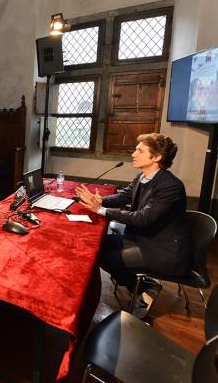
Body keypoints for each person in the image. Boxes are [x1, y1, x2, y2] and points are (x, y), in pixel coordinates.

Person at [75, 133, 191, 318]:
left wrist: (101, 211)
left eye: (140, 150)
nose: (133, 154)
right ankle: (143, 288)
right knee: (95, 249)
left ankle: (144, 289)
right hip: (144, 237)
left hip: (162, 249)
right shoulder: (143, 176)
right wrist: (100, 200)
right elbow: (123, 196)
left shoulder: (170, 186)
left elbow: (142, 218)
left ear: (157, 157)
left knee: (101, 257)